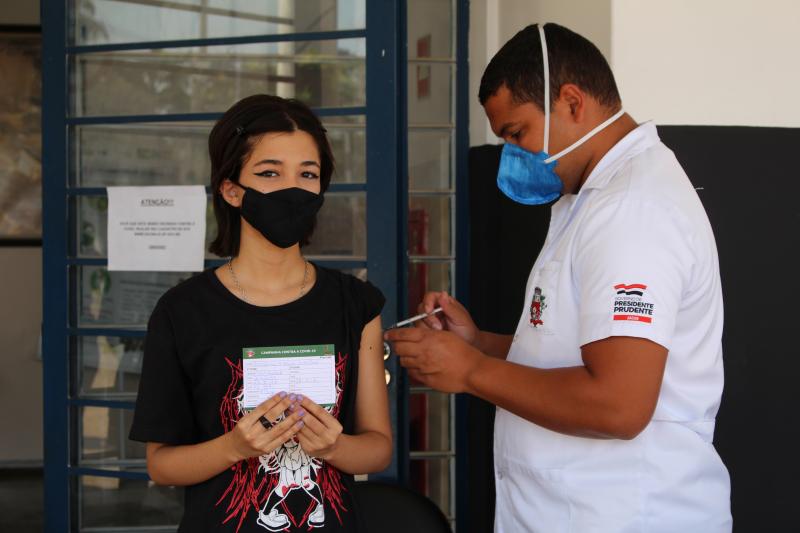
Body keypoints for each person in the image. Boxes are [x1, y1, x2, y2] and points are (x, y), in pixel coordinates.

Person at [385, 23, 731, 532]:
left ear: (571, 102)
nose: (513, 153)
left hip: (626, 516)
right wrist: (478, 344)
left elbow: (618, 405)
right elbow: (576, 352)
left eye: (516, 133)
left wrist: (471, 371)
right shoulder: (591, 200)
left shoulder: (631, 211)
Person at [130, 94, 392, 533]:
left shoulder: (356, 304)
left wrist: (333, 447)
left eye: (307, 174)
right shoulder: (182, 312)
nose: (292, 188)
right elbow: (161, 464)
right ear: (231, 189)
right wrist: (234, 446)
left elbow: (378, 448)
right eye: (270, 172)